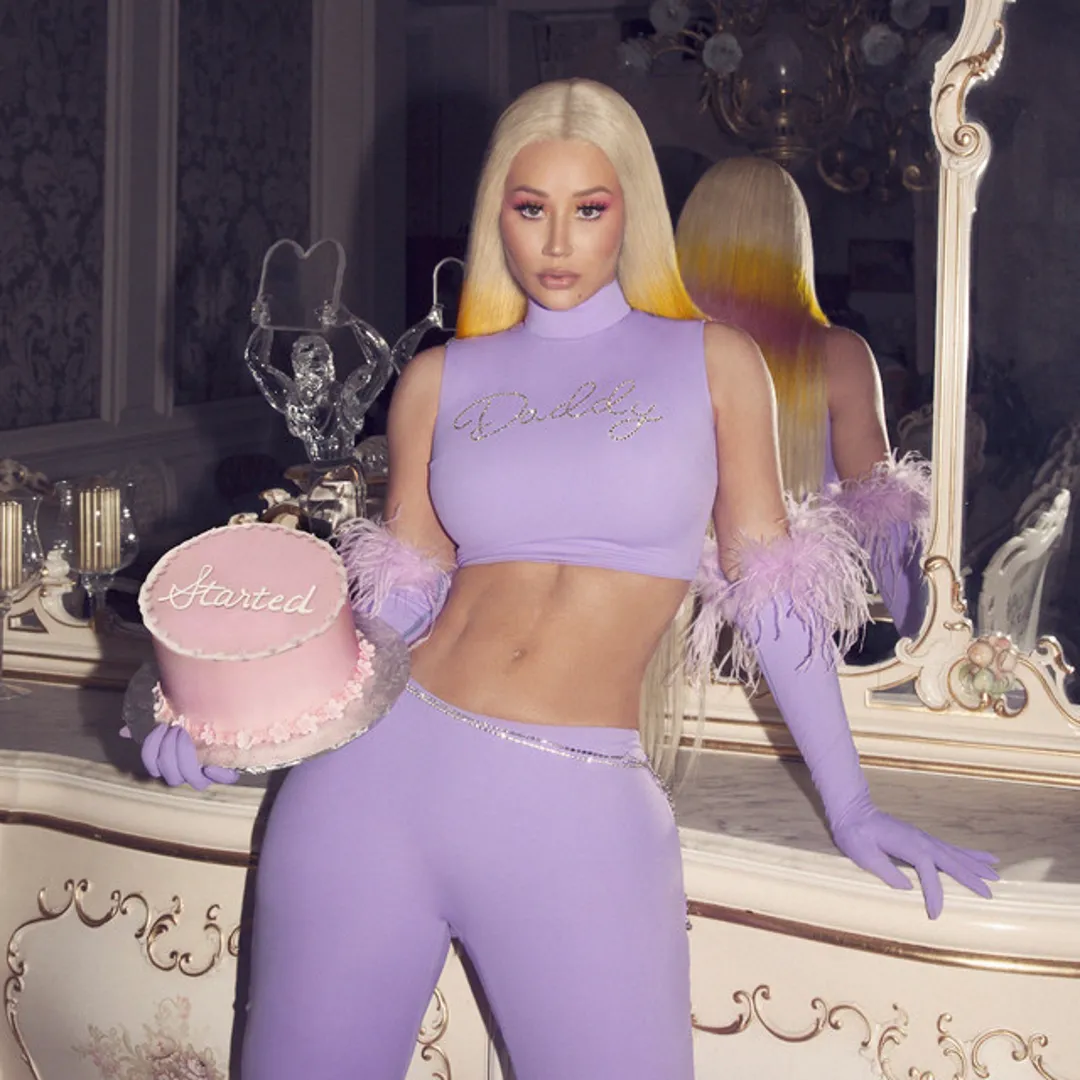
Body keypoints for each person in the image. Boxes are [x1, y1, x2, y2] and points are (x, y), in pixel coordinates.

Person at [140, 80, 997, 1080]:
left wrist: (851, 806)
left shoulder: (714, 363)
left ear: (631, 213)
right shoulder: (439, 379)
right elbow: (394, 607)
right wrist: (235, 720)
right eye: (529, 207)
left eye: (588, 208)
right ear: (495, 216)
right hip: (363, 793)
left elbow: (773, 592)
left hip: (572, 808)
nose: (556, 241)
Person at [676, 155, 929, 639]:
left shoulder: (656, 352)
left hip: (672, 639)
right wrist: (924, 642)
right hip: (800, 640)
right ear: (794, 242)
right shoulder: (840, 358)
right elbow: (887, 535)